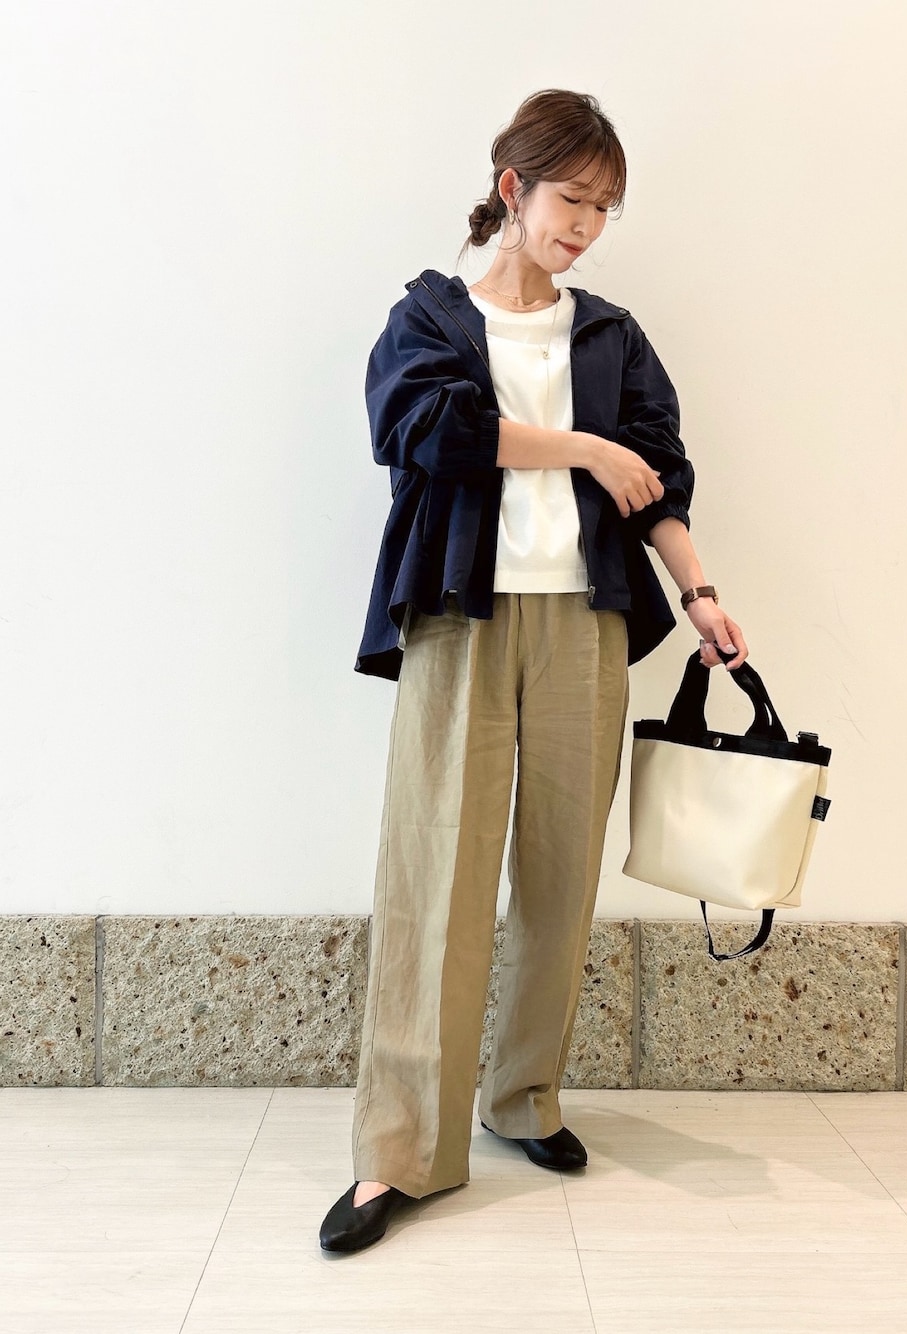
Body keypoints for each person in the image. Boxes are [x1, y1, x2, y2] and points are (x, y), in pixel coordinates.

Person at [319, 88, 747, 1254]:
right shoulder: (429, 316)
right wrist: (582, 447)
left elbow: (655, 479)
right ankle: (399, 1147)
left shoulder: (608, 336)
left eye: (605, 208)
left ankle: (523, 1098)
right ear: (512, 188)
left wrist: (699, 592)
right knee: (437, 879)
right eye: (572, 200)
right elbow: (427, 433)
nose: (587, 226)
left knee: (559, 879)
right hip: (460, 620)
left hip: (585, 625)